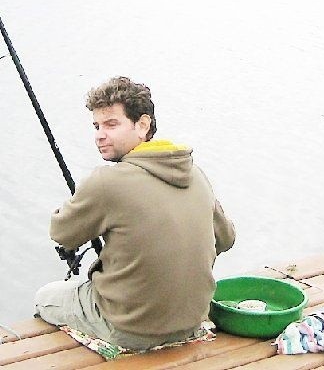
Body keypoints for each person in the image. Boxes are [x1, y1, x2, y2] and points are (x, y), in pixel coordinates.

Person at [34, 76, 235, 351]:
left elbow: (61, 233)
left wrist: (71, 207)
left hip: (129, 329)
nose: (100, 134)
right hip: (192, 321)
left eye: (111, 124)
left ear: (143, 125)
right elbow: (226, 239)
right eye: (96, 126)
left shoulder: (106, 182)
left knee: (45, 297)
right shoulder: (195, 173)